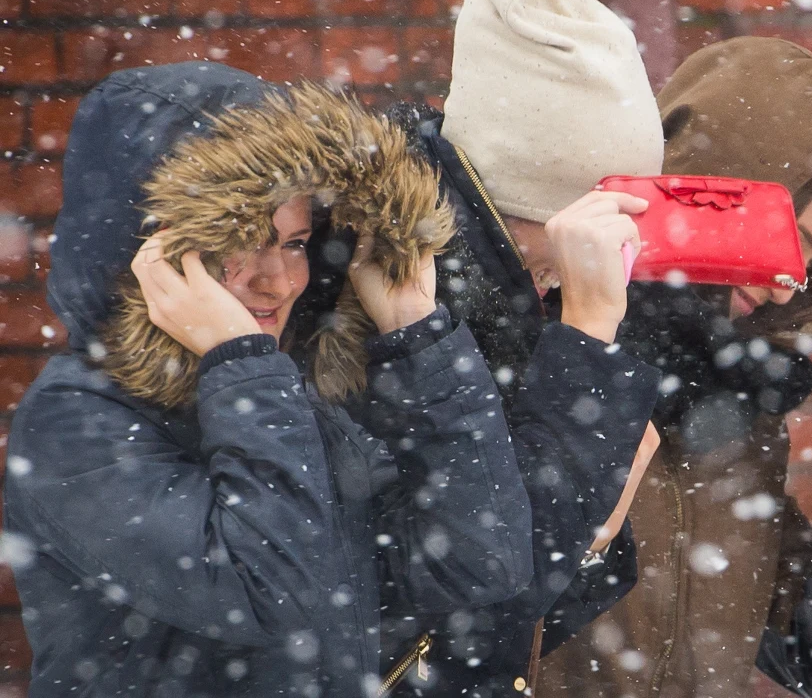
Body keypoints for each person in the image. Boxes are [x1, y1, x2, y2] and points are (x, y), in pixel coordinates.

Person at [3, 61, 537, 697]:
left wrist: (416, 331)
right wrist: (243, 360)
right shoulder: (77, 422)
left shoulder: (292, 392)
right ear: (151, 253)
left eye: (294, 242)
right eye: (242, 239)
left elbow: (482, 564)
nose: (278, 279)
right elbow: (267, 594)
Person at [537, 37, 812, 698]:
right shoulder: (543, 356)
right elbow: (463, 633)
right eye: (784, 239)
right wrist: (586, 515)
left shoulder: (735, 404)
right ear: (707, 188)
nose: (791, 286)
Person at [376, 0, 665, 695]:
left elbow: (524, 621)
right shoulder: (404, 303)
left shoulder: (496, 293)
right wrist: (592, 330)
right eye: (578, 228)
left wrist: (596, 539)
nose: (579, 262)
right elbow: (497, 584)